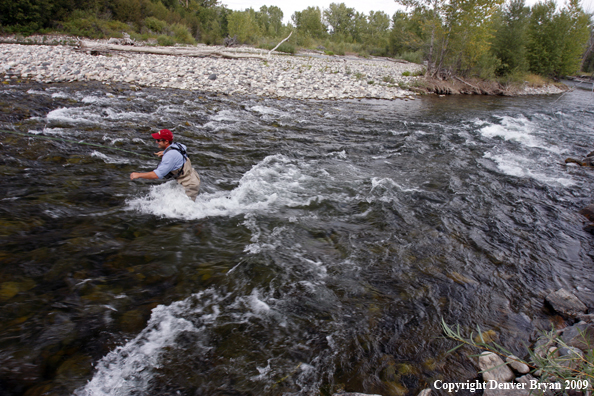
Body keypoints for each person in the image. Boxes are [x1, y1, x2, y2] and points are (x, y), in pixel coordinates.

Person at [130, 129, 201, 200]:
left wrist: (138, 175)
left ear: (166, 141)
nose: (156, 142)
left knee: (185, 209)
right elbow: (182, 149)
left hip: (189, 184)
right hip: (192, 176)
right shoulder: (177, 145)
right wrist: (165, 152)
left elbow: (157, 175)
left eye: (158, 140)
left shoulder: (170, 155)